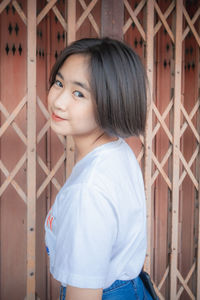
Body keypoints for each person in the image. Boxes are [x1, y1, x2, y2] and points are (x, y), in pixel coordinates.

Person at [45, 37, 152, 300]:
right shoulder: (117, 150)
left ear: (112, 100)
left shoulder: (87, 191)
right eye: (59, 83)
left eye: (78, 93)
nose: (58, 101)